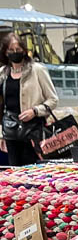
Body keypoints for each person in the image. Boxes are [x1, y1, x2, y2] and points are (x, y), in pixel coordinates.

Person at [0, 32, 57, 167]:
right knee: (14, 172)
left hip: (34, 130)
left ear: (24, 50)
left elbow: (53, 99)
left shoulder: (37, 70)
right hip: (10, 131)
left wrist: (35, 111)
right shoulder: (3, 73)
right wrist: (1, 134)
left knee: (34, 171)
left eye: (18, 50)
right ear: (5, 52)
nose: (15, 53)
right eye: (11, 50)